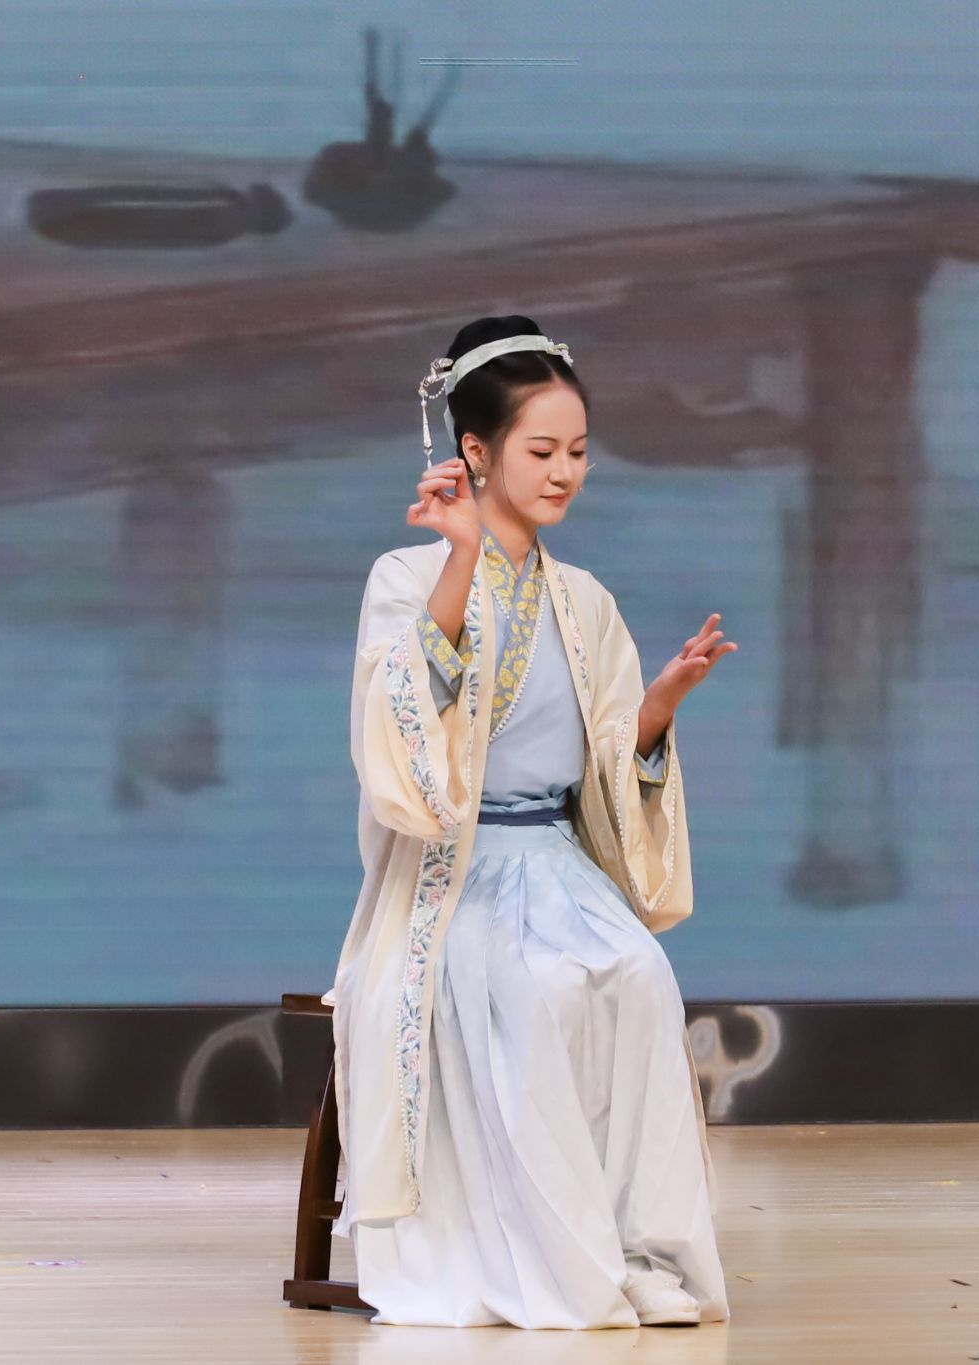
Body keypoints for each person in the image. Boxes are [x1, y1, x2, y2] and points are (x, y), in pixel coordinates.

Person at [323, 315, 738, 1329]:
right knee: (536, 988)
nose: (564, 473)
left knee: (639, 978)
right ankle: (561, 1261)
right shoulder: (406, 576)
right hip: (451, 879)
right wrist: (461, 557)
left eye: (578, 452)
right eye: (541, 450)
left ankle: (639, 1251)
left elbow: (602, 770)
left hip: (555, 866)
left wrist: (657, 709)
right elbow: (403, 730)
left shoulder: (584, 601)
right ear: (475, 450)